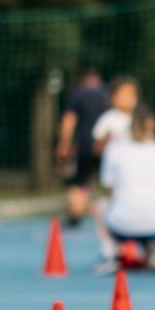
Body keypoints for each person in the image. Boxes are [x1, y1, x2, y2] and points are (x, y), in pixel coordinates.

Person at [100, 104, 155, 272]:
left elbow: (109, 190)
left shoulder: (113, 151)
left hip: (121, 226)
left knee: (100, 206)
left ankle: (117, 250)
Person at [91, 76, 140, 270]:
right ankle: (109, 249)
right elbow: (96, 148)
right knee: (104, 209)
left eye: (131, 95)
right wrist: (106, 140)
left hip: (135, 176)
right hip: (113, 177)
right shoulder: (108, 119)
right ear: (113, 98)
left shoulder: (138, 119)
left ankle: (137, 248)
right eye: (122, 95)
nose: (127, 99)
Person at [54, 68, 108, 227]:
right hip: (107, 149)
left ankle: (77, 215)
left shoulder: (78, 94)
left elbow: (69, 120)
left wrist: (64, 143)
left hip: (84, 147)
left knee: (76, 183)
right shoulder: (108, 94)